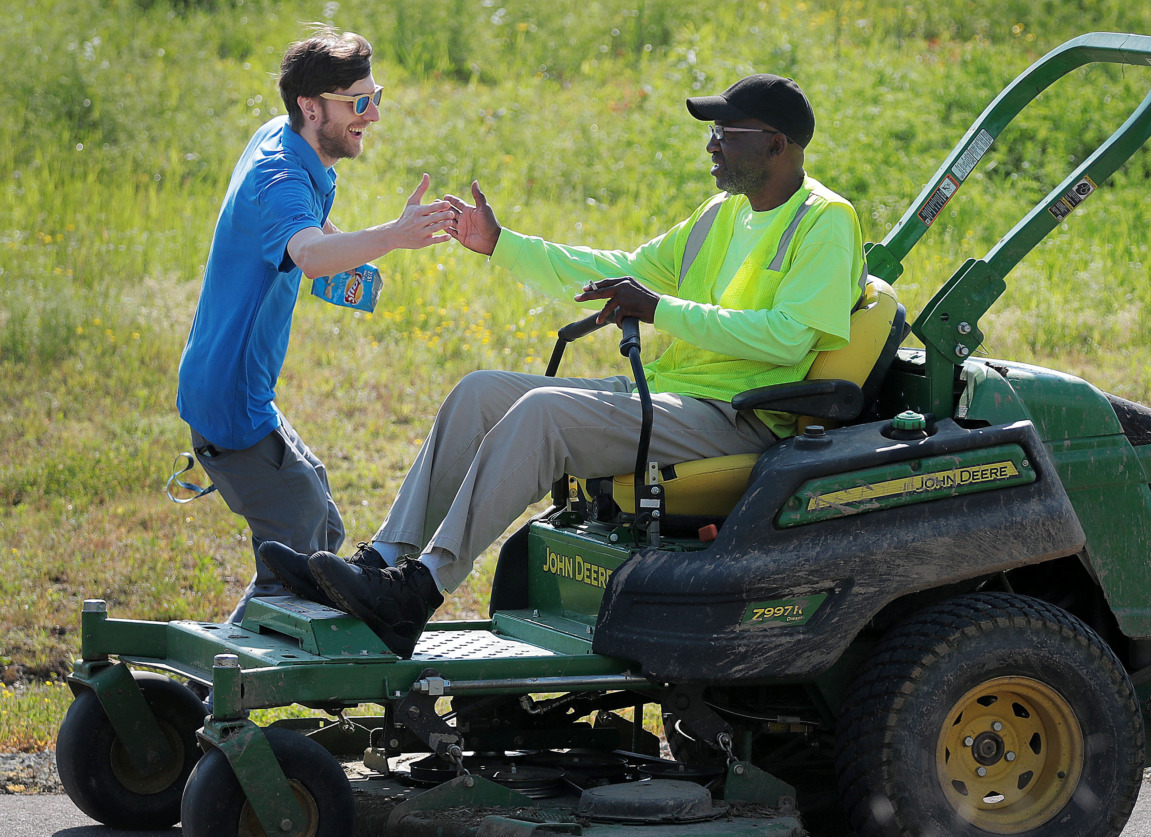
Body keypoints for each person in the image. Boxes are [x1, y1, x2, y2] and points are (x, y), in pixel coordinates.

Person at [260, 73, 866, 657]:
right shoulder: (720, 214)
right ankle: (384, 564)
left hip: (738, 417)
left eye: (725, 133)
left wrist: (659, 309)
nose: (711, 143)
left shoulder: (825, 221)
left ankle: (418, 592)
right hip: (679, 392)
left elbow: (789, 340)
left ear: (775, 144)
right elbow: (618, 268)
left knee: (544, 412)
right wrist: (502, 243)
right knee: (481, 392)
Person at [177, 27, 456, 624]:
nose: (373, 114)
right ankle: (220, 698)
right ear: (311, 107)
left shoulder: (289, 144)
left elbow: (308, 237)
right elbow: (304, 251)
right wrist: (394, 236)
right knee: (300, 550)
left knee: (322, 524)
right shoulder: (279, 175)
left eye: (374, 96)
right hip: (232, 402)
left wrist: (346, 254)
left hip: (239, 392)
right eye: (358, 103)